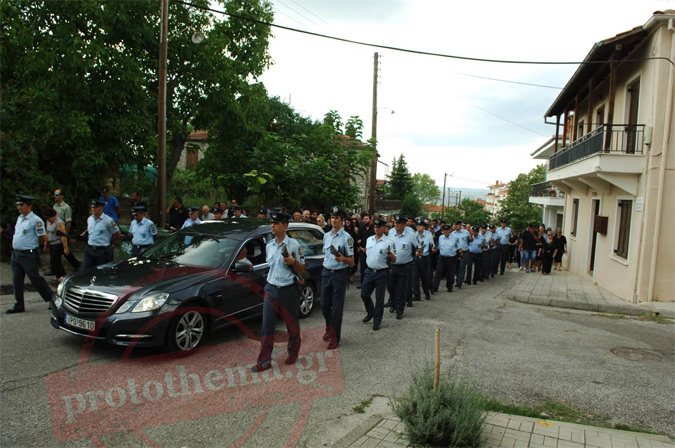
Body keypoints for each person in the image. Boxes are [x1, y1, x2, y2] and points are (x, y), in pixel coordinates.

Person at [254, 212, 306, 372]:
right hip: (271, 288)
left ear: (285, 225)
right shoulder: (269, 245)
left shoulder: (294, 245)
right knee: (267, 325)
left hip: (288, 290)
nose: (273, 226)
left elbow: (302, 269)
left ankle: (293, 353)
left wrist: (293, 262)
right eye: (272, 223)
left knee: (291, 324)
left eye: (276, 223)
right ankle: (264, 361)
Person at [8, 195, 55, 313]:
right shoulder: (20, 218)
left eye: (22, 205)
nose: (19, 207)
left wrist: (33, 246)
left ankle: (53, 299)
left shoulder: (35, 220)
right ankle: (19, 304)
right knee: (16, 280)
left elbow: (42, 237)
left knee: (35, 279)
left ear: (29, 206)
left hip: (28, 254)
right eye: (18, 205)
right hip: (16, 254)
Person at [320, 206, 354, 349]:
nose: (333, 220)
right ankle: (329, 327)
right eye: (332, 218)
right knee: (324, 304)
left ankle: (335, 337)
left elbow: (352, 262)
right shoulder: (326, 235)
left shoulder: (347, 238)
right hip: (326, 272)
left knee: (337, 308)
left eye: (336, 218)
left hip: (339, 274)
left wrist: (343, 259)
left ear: (342, 221)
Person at [360, 218, 396, 331]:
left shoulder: (389, 242)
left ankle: (377, 321)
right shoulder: (369, 239)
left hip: (381, 273)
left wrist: (391, 257)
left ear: (384, 228)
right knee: (364, 294)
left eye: (378, 227)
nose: (376, 228)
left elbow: (394, 259)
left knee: (379, 299)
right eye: (375, 226)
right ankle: (371, 312)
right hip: (369, 271)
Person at [387, 214, 416, 319]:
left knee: (401, 289)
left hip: (404, 266)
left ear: (404, 224)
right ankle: (394, 303)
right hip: (392, 265)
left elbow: (418, 246)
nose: (396, 225)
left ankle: (400, 310)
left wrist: (418, 253)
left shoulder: (411, 234)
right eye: (395, 222)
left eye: (399, 223)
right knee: (390, 286)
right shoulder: (391, 233)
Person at [80, 199, 121, 270]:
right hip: (90, 248)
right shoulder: (90, 219)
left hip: (102, 251)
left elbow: (117, 234)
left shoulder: (108, 221)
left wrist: (109, 243)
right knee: (85, 271)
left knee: (101, 272)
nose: (93, 209)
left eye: (96, 207)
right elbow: (90, 229)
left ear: (101, 208)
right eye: (92, 207)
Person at [52, 188, 81, 271]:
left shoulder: (66, 207)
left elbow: (68, 221)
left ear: (62, 196)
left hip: (62, 231)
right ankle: (76, 264)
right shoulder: (54, 206)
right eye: (54, 194)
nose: (55, 196)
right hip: (55, 232)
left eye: (57, 195)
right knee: (62, 250)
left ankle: (75, 265)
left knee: (63, 250)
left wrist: (65, 234)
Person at [432, 224, 460, 293]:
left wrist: (460, 254)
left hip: (451, 258)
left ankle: (449, 287)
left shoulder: (455, 238)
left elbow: (459, 247)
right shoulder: (441, 237)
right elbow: (438, 246)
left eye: (447, 230)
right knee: (438, 272)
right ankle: (435, 287)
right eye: (445, 230)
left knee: (450, 273)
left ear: (450, 230)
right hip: (441, 257)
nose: (446, 231)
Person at [43, 207, 69, 281]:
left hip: (58, 243)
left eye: (49, 218)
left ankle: (62, 273)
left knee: (56, 259)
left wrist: (65, 247)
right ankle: (57, 274)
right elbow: (47, 232)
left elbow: (63, 236)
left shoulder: (59, 223)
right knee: (52, 259)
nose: (48, 220)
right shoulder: (48, 221)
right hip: (51, 243)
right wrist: (46, 242)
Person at [412, 217, 434, 301]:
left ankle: (426, 293)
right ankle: (417, 295)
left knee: (425, 277)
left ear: (424, 227)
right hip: (416, 258)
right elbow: (412, 247)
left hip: (425, 258)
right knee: (415, 278)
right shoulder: (414, 235)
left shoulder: (428, 235)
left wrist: (433, 249)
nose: (418, 227)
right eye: (417, 225)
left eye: (420, 225)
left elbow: (432, 246)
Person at [356, 213, 375, 289]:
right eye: (364, 219)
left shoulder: (374, 228)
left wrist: (369, 249)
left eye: (366, 219)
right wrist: (360, 248)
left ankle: (372, 284)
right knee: (363, 268)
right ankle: (363, 283)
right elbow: (357, 239)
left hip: (372, 251)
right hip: (362, 251)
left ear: (370, 220)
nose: (365, 220)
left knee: (371, 267)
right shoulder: (361, 228)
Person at [453, 221, 470, 288]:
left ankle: (460, 282)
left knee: (462, 267)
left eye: (457, 225)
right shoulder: (452, 233)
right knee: (456, 267)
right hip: (456, 252)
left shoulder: (466, 232)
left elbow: (469, 240)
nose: (456, 226)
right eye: (455, 225)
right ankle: (457, 280)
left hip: (464, 252)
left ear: (460, 225)